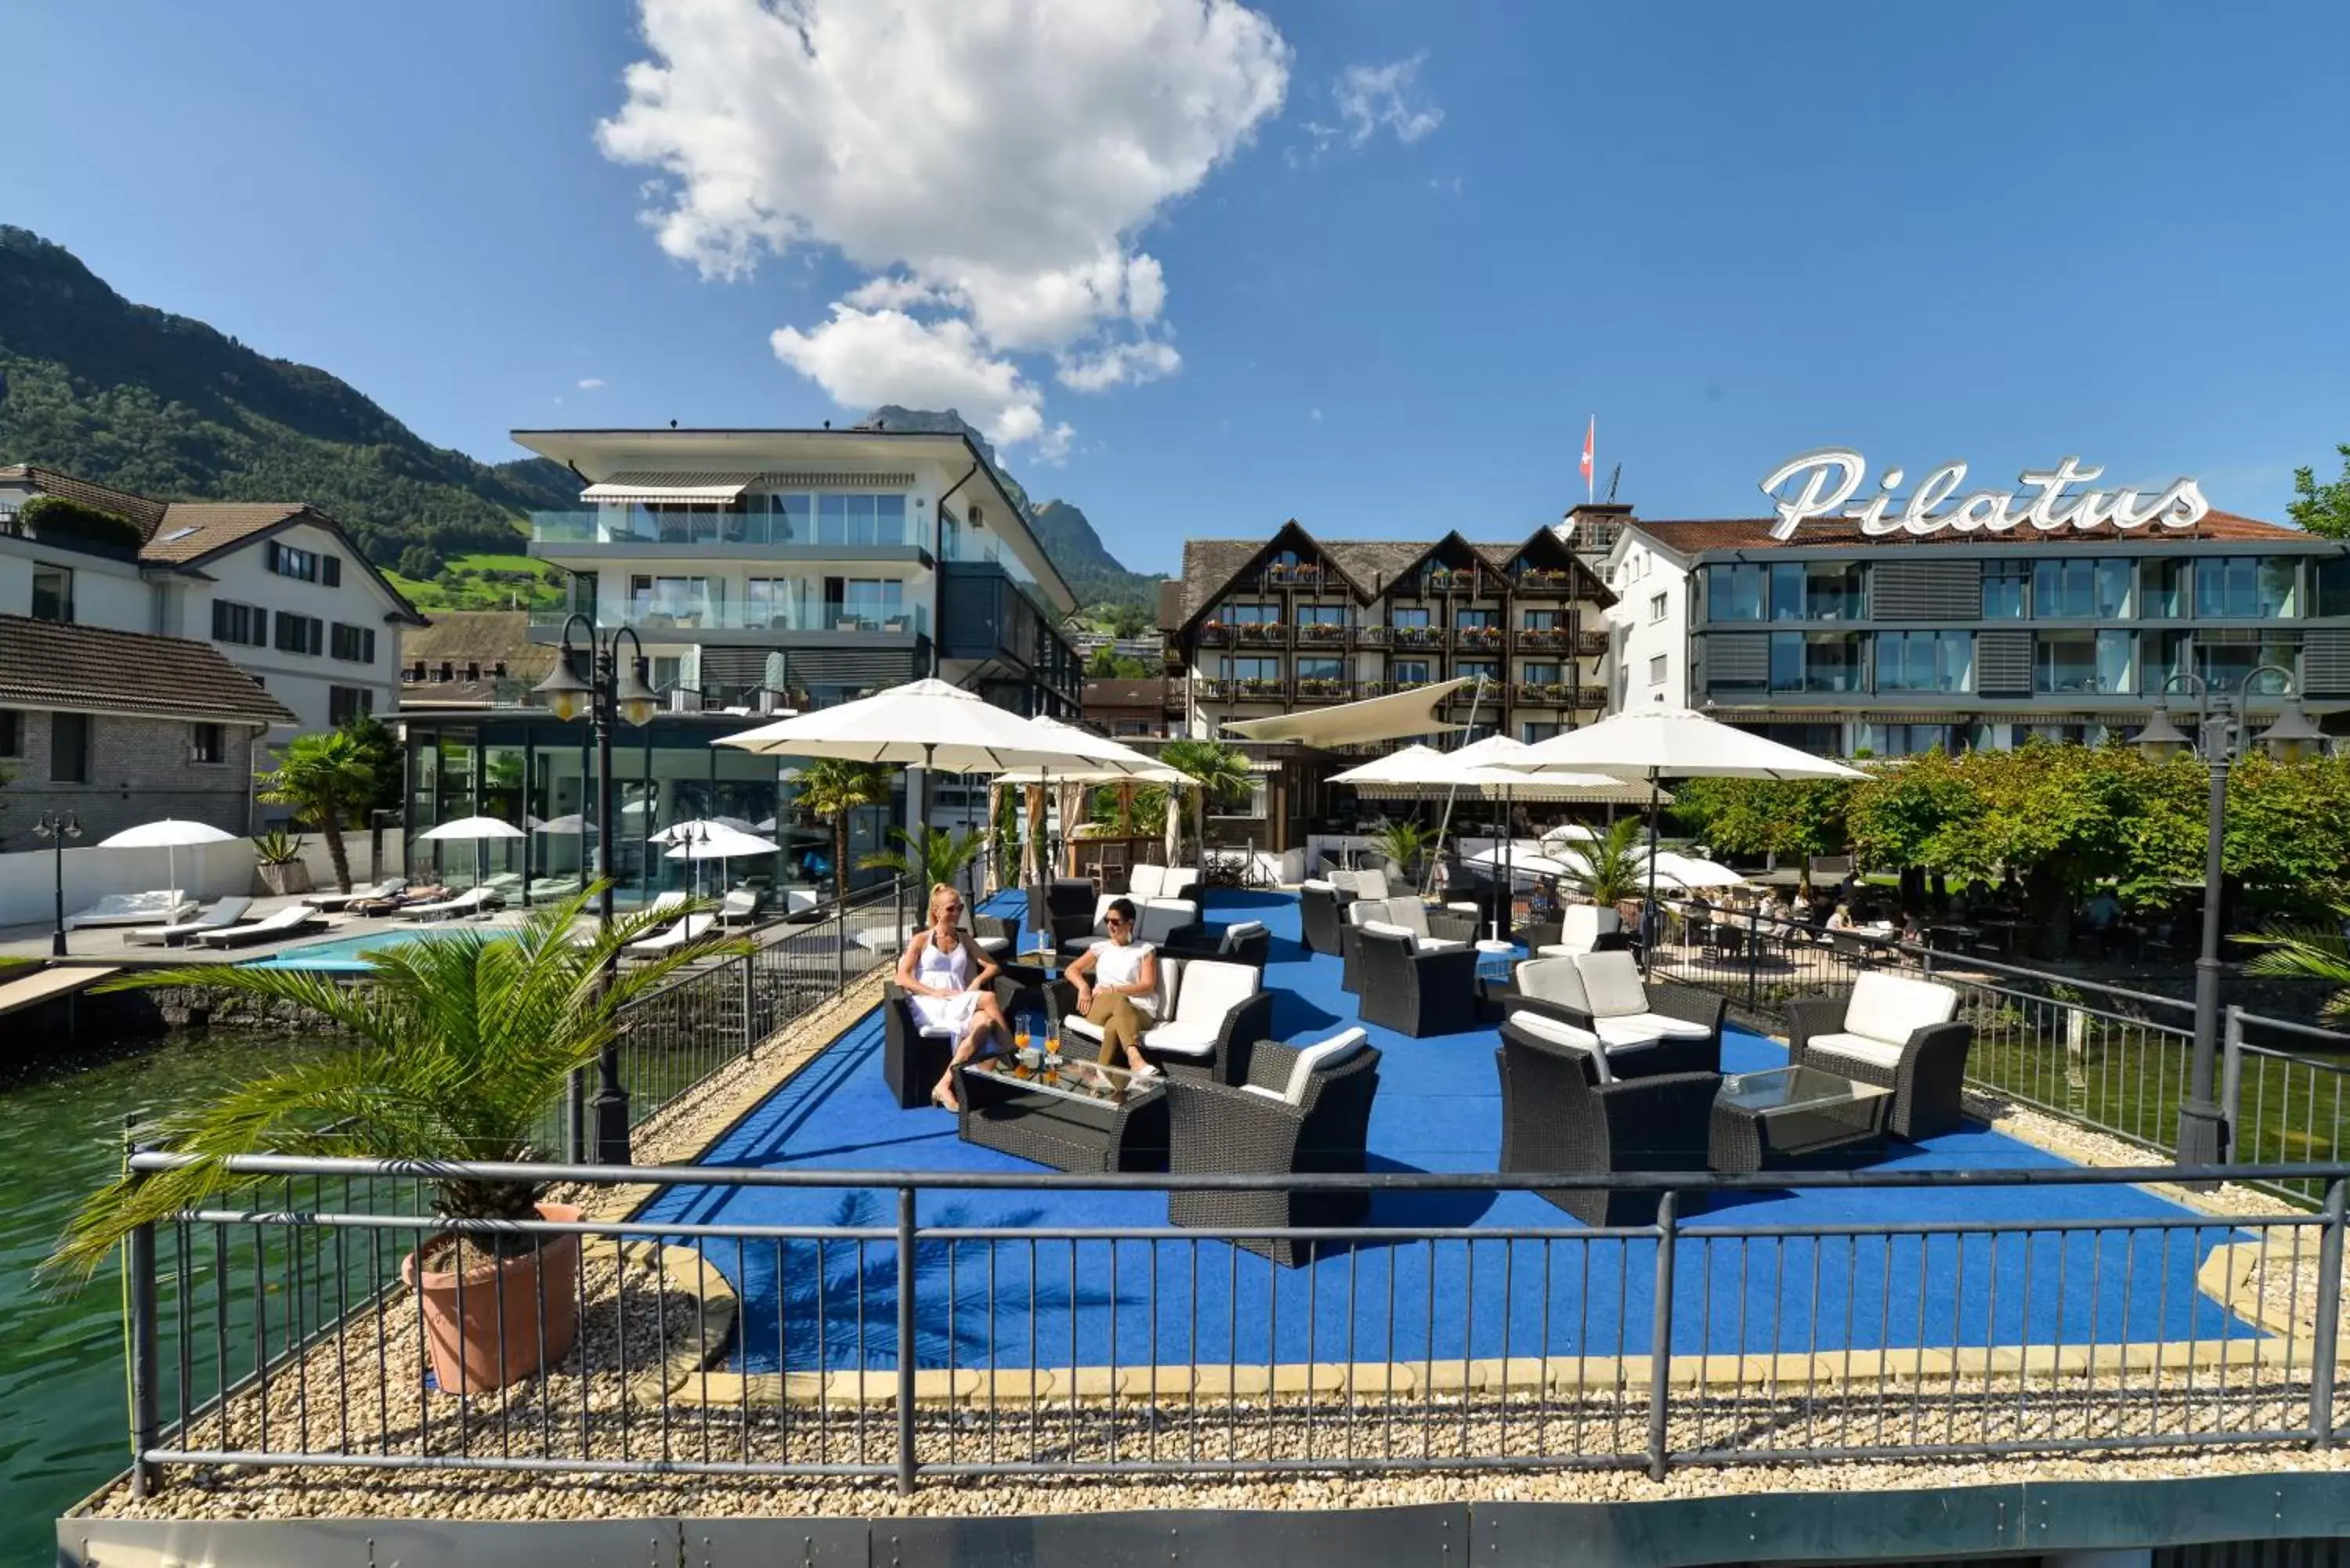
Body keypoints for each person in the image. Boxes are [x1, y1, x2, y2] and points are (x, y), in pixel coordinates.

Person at [905, 883, 1013, 1112]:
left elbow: (993, 966)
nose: (957, 913)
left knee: (985, 1023)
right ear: (936, 911)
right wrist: (933, 992)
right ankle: (1012, 1055)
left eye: (960, 908)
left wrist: (975, 982)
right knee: (989, 999)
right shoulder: (922, 940)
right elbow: (901, 978)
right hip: (930, 1004)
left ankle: (944, 1084)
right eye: (951, 909)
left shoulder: (964, 940)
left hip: (958, 1000)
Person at [1063, 896, 1162, 1077]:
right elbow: (1071, 970)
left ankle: (1101, 1079)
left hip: (1140, 1011)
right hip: (1100, 1007)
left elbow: (1147, 986)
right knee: (1119, 1001)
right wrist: (1084, 988)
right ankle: (1134, 1057)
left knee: (1114, 1025)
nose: (1110, 925)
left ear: (1130, 923)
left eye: (1116, 921)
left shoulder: (1145, 950)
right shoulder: (1100, 948)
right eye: (1107, 920)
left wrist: (1113, 990)